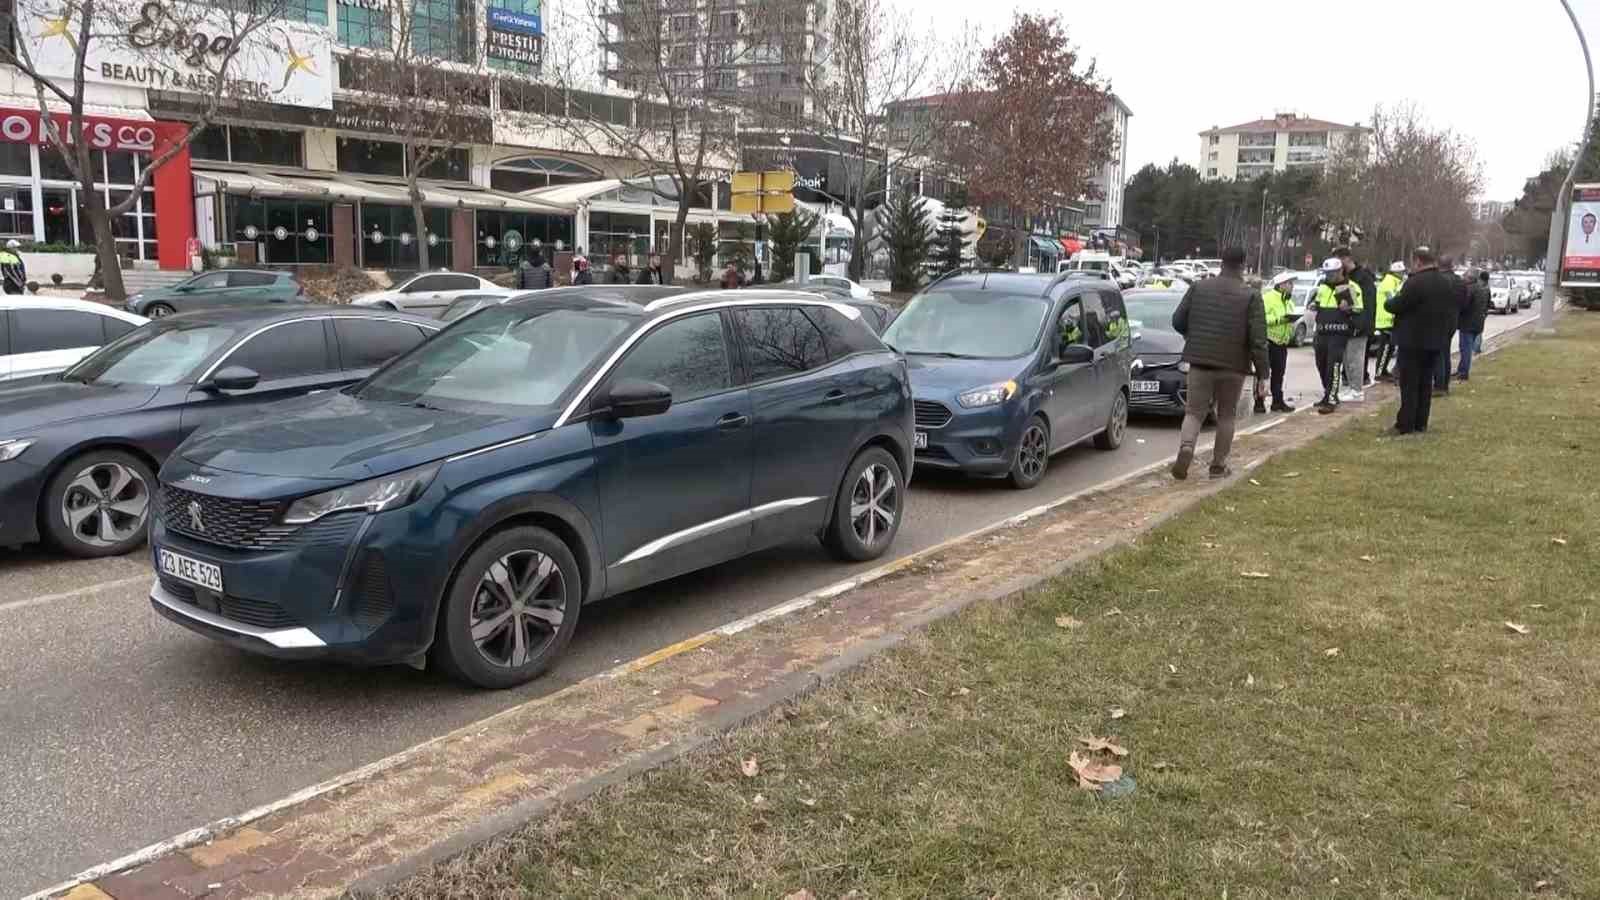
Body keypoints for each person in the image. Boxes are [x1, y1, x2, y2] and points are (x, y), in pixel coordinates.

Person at [1168, 247, 1269, 481]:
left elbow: (1177, 320)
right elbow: (1258, 339)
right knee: (1226, 415)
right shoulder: (1251, 295)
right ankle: (1218, 465)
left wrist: (1192, 335)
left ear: (1221, 262)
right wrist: (1264, 374)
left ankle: (1186, 447)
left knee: (1193, 412)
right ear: (1243, 265)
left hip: (1200, 361)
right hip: (1234, 366)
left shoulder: (1199, 287)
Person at [1386, 246, 1460, 435]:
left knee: (1409, 383)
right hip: (1434, 341)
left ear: (1418, 261)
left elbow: (1398, 305)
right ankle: (1421, 422)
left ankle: (1406, 424)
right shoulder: (1445, 282)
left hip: (1412, 340)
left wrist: (1389, 301)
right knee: (1425, 383)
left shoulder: (1415, 283)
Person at [1311, 256, 1362, 414]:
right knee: (1321, 364)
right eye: (1327, 273)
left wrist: (1348, 308)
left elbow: (1359, 309)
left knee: (1333, 365)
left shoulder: (1350, 286)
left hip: (1339, 332)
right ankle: (1328, 393)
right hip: (1322, 330)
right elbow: (1319, 303)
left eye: (1332, 273)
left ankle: (1332, 398)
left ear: (1340, 271)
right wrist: (1315, 305)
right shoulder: (1323, 286)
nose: (1329, 276)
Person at [1335, 247, 1377, 399]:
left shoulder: (1363, 277)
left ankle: (1357, 390)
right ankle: (1352, 387)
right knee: (1348, 359)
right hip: (1348, 322)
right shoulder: (1346, 276)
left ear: (1346, 259)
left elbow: (1368, 303)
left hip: (1359, 323)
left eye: (1339, 261)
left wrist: (1362, 324)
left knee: (1356, 358)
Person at [1259, 270, 1298, 413]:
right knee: (1263, 373)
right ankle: (1259, 402)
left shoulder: (1289, 301)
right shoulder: (1268, 298)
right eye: (1289, 283)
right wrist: (1280, 320)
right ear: (1281, 285)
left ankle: (1277, 401)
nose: (1292, 286)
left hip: (1282, 343)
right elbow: (1262, 319)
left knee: (1279, 374)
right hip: (1268, 341)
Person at [1433, 256, 1468, 396]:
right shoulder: (1460, 281)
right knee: (1445, 352)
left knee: (1438, 354)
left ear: (1439, 265)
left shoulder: (1438, 280)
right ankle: (1445, 385)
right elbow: (1464, 303)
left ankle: (1439, 386)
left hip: (1439, 319)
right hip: (1453, 319)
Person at [1372, 261, 1405, 382]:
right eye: (1401, 272)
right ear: (1396, 272)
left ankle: (1383, 370)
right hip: (1386, 320)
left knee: (1390, 348)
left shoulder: (1394, 282)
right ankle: (1379, 372)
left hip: (1390, 319)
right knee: (1385, 347)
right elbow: (1393, 300)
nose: (1403, 274)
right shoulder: (1389, 283)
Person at [1457, 270, 1491, 380]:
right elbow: (1487, 306)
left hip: (1468, 323)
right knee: (1468, 347)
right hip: (1478, 323)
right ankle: (1462, 368)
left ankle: (1463, 372)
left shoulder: (1470, 289)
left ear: (1470, 278)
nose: (1463, 279)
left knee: (1465, 348)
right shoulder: (1483, 289)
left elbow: (1464, 306)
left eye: (1465, 277)